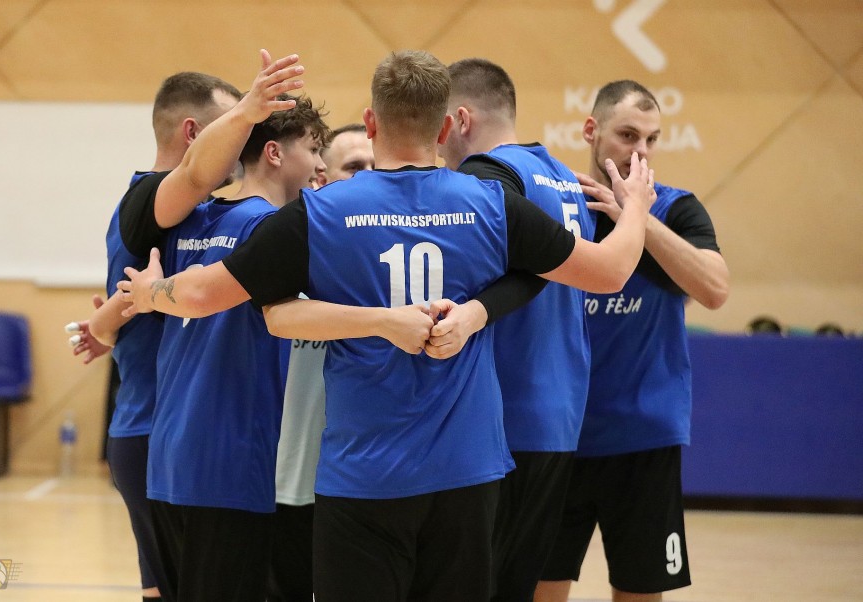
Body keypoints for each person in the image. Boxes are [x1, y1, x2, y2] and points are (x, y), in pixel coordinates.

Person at [117, 50, 655, 602]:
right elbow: (610, 271)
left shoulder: (322, 212)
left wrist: (150, 293)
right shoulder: (492, 204)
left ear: (370, 123)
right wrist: (635, 205)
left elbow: (204, 295)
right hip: (466, 472)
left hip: (362, 476)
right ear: (444, 129)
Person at [66, 52, 307, 602]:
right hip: (162, 427)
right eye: (233, 126)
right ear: (196, 133)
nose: (243, 141)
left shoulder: (199, 214)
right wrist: (109, 319)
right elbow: (136, 294)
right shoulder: (155, 202)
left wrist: (105, 324)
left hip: (170, 429)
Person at [126, 90, 327, 602]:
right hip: (234, 460)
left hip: (170, 457)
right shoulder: (274, 228)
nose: (320, 164)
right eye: (313, 148)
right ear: (275, 153)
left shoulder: (186, 220)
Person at [535, 80, 730, 602]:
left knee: (641, 591)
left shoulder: (677, 209)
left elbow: (714, 289)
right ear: (591, 131)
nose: (640, 151)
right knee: (539, 589)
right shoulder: (556, 208)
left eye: (651, 139)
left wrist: (636, 220)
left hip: (643, 440)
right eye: (627, 135)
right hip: (558, 438)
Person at [437, 57, 596, 602]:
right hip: (559, 418)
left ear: (461, 119)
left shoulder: (484, 179)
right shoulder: (563, 177)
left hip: (502, 418)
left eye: (438, 125)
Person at [267, 123, 374, 602]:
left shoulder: (392, 262)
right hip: (288, 481)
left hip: (365, 482)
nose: (368, 175)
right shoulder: (289, 251)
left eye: (375, 166)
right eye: (354, 166)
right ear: (320, 177)